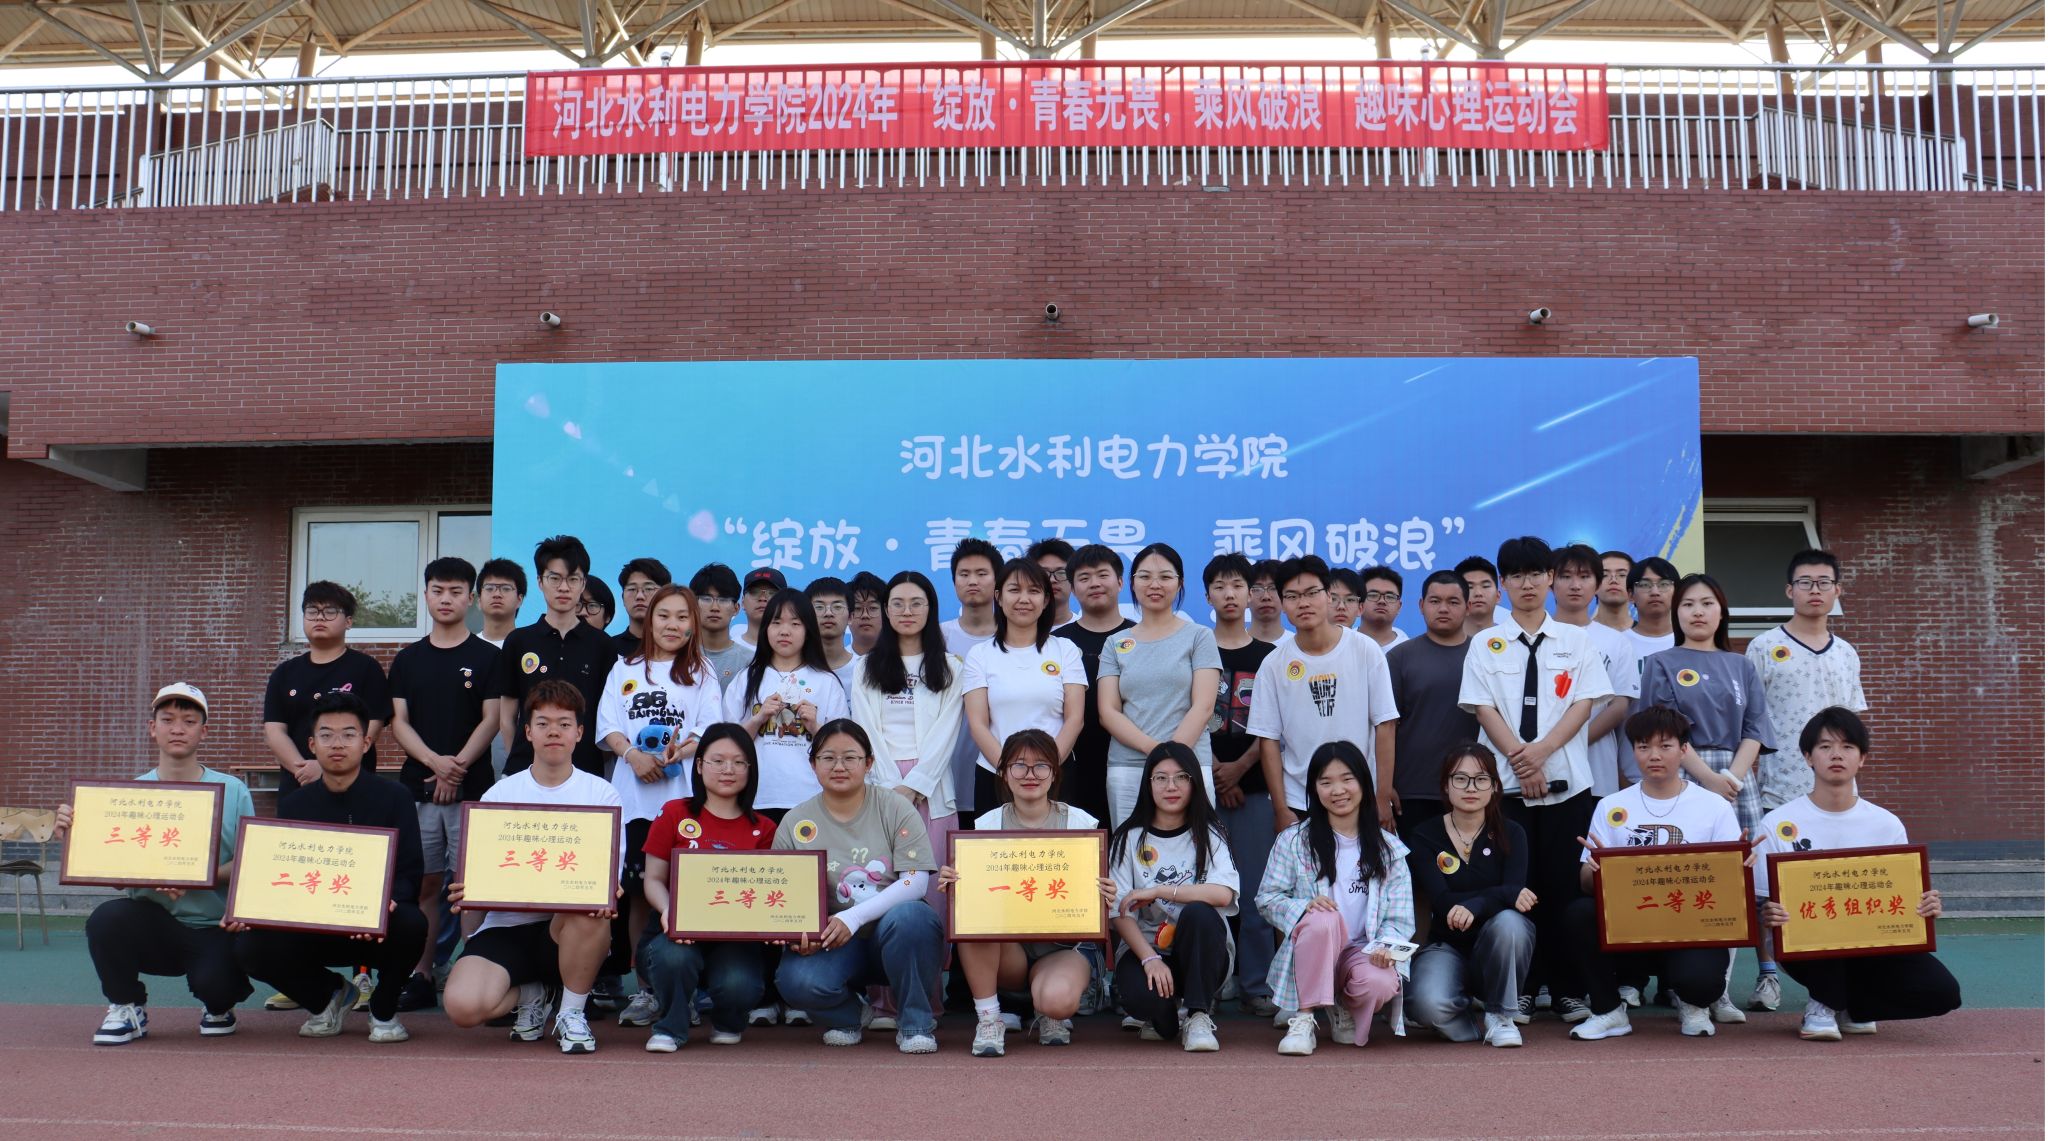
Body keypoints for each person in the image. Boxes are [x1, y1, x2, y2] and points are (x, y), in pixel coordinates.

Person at [1457, 536, 1614, 1024]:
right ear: (1503, 584)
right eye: (1516, 575)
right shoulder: (1485, 643)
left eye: (1535, 574)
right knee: (1514, 888)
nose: (1527, 584)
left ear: (1550, 578)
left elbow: (1584, 704)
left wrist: (1542, 753)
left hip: (1568, 785)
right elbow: (1483, 708)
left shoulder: (1577, 641)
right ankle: (1521, 989)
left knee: (1565, 888)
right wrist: (1521, 762)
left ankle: (1568, 990)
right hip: (1504, 789)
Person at [57, 683, 254, 1045]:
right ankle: (126, 1005)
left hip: (213, 926)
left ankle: (219, 1006)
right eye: (168, 720)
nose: (178, 729)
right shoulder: (129, 794)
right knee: (107, 919)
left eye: (189, 721)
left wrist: (198, 876)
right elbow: (117, 878)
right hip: (154, 923)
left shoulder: (234, 790)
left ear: (203, 731)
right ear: (153, 728)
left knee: (218, 986)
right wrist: (77, 837)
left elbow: (249, 862)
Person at [233, 692, 427, 1044]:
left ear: (366, 742)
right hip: (314, 926)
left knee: (412, 922)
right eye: (326, 735)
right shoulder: (294, 805)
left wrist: (384, 904)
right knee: (249, 943)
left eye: (348, 734)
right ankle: (327, 996)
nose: (337, 744)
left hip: (375, 928)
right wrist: (251, 907)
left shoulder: (395, 797)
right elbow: (280, 872)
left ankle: (384, 1008)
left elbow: (410, 871)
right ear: (312, 744)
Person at [1755, 707, 1960, 1041]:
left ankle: (1848, 1006)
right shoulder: (1777, 823)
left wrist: (1924, 905)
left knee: (1942, 992)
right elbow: (1763, 902)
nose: (1836, 755)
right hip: (1804, 943)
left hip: (1872, 942)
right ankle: (1822, 1004)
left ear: (1862, 758)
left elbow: (1902, 893)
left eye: (1847, 747)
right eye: (1825, 747)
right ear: (1808, 757)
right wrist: (1768, 912)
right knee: (1825, 924)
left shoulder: (1886, 824)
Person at [444, 680, 625, 1054]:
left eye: (564, 723)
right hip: (506, 925)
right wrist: (468, 892)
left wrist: (609, 889)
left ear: (579, 733)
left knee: (592, 907)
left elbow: (608, 878)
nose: (553, 732)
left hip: (567, 926)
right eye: (543, 723)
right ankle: (533, 993)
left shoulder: (601, 794)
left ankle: (571, 1013)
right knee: (463, 1007)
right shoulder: (500, 795)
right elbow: (478, 872)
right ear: (528, 732)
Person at [1638, 572, 1777, 1016]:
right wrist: (1706, 777)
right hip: (1681, 771)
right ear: (1676, 613)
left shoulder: (1742, 665)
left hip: (1737, 778)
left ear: (1722, 612)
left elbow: (1756, 728)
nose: (1697, 612)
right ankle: (1685, 989)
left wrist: (1731, 777)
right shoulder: (1660, 662)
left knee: (1735, 882)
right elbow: (1663, 730)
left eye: (1707, 603)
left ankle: (1721, 991)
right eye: (1688, 604)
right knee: (1687, 879)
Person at [1568, 706, 1751, 1041]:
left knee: (1701, 981)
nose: (1654, 755)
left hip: (1690, 927)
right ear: (1633, 751)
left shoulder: (1714, 806)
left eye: (1665, 746)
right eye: (1643, 746)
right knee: (1580, 914)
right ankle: (1608, 1011)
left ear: (1684, 750)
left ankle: (1694, 1005)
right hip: (1631, 927)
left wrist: (1742, 869)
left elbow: (1728, 885)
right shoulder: (1611, 806)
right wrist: (1594, 871)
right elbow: (1585, 883)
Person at [774, 720, 946, 1053]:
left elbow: (915, 880)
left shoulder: (895, 807)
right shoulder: (795, 822)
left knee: (914, 918)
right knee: (797, 981)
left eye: (850, 758)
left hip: (893, 934)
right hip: (834, 942)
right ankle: (848, 1016)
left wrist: (853, 917)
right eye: (828, 758)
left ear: (868, 763)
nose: (839, 766)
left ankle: (915, 1025)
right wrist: (799, 935)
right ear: (813, 764)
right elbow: (785, 897)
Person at [940, 728, 1113, 1056]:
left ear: (1055, 773)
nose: (1030, 774)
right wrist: (957, 884)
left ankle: (1048, 1012)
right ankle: (989, 1019)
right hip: (1010, 951)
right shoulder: (986, 826)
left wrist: (1104, 893)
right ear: (1003, 773)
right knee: (973, 917)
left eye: (1041, 766)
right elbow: (975, 894)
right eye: (1019, 765)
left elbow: (1098, 896)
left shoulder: (1081, 824)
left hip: (1064, 947)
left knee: (1056, 1001)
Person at [595, 583, 722, 1028]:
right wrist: (633, 756)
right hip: (634, 803)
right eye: (663, 615)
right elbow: (608, 726)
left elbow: (710, 729)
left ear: (693, 625)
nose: (672, 625)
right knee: (638, 895)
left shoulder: (703, 672)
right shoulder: (624, 668)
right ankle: (647, 990)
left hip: (683, 800)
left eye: (682, 617)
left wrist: (677, 753)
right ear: (649, 621)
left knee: (685, 889)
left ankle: (686, 989)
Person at [387, 557, 500, 1012]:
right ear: (426, 596)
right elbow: (398, 721)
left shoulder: (488, 657)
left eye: (456, 592)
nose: (446, 599)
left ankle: (474, 969)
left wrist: (457, 767)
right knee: (427, 884)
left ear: (470, 598)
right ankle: (422, 972)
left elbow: (492, 719)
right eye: (438, 591)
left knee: (472, 885)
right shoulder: (408, 659)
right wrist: (436, 763)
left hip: (474, 789)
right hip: (419, 788)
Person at [1260, 742, 1412, 1056]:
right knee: (1322, 918)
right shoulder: (1293, 840)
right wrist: (1303, 906)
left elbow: (1400, 918)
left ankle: (1342, 1004)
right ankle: (1304, 1017)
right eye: (1326, 782)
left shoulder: (1389, 848)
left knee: (1382, 983)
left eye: (1347, 779)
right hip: (1315, 948)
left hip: (1361, 951)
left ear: (1363, 784)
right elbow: (1267, 899)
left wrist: (1385, 947)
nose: (1338, 790)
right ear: (1314, 789)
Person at [638, 723, 778, 1051]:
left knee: (739, 984)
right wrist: (669, 911)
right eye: (718, 761)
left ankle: (729, 1020)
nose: (728, 770)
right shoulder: (674, 813)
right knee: (673, 957)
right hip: (674, 932)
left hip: (735, 938)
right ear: (699, 766)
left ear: (750, 769)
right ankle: (670, 1027)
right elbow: (653, 879)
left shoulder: (765, 829)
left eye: (738, 762)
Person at [1248, 555, 1398, 835]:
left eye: (1311, 593)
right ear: (1282, 603)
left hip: (1360, 793)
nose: (1303, 603)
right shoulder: (1273, 664)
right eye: (1292, 596)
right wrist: (1281, 808)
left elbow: (1386, 724)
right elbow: (1268, 740)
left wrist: (1382, 795)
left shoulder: (1365, 649)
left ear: (1328, 595)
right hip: (1300, 799)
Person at [1108, 742, 1240, 1052]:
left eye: (1181, 777)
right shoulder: (1128, 837)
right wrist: (1150, 959)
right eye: (1161, 778)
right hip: (1147, 949)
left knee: (1198, 912)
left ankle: (1197, 1013)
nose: (1171, 786)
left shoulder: (1210, 833)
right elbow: (1119, 911)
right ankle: (1164, 1017)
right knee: (1143, 1000)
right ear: (1148, 784)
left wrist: (1159, 890)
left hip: (1201, 951)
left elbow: (1223, 894)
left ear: (1194, 783)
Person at [1404, 744, 1536, 1048]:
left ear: (1495, 786)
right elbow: (1442, 901)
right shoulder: (1425, 835)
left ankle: (1501, 1015)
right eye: (1460, 779)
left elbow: (1516, 901)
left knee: (1511, 923)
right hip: (1447, 945)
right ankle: (1467, 1020)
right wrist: (1503, 894)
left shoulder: (1512, 832)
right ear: (1445, 785)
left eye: (1481, 779)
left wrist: (1476, 904)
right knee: (1425, 1005)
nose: (1471, 788)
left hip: (1497, 944)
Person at [851, 570, 966, 904]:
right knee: (880, 879)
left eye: (916, 603)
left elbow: (947, 733)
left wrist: (914, 786)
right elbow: (865, 730)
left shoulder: (951, 667)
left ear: (930, 609)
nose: (907, 611)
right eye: (898, 604)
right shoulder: (866, 666)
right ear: (886, 610)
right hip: (880, 780)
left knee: (935, 884)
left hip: (932, 786)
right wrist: (891, 787)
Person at [1203, 551, 1280, 1018]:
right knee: (1205, 890)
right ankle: (1209, 982)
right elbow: (1188, 714)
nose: (1229, 595)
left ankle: (1256, 983)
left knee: (1254, 894)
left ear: (1251, 595)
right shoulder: (1195, 648)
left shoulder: (1269, 657)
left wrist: (1238, 769)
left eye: (1238, 586)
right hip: (1202, 786)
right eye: (1220, 586)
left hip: (1254, 788)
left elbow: (1273, 726)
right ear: (1207, 595)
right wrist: (1217, 771)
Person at [1099, 543, 1223, 825]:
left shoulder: (1199, 636)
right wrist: (1156, 752)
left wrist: (1171, 759)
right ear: (1131, 583)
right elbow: (1108, 712)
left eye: (1165, 577)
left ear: (1180, 584)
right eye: (1144, 576)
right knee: (1130, 848)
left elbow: (1203, 706)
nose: (1155, 584)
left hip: (1189, 765)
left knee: (1195, 847)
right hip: (1128, 767)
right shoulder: (1115, 643)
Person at [1745, 550, 1869, 815]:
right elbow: (1749, 719)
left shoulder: (1846, 653)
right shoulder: (1763, 647)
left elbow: (1852, 723)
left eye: (1824, 582)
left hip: (1839, 793)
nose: (1815, 590)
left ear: (1837, 590)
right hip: (1779, 793)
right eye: (1805, 582)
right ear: (1790, 590)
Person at [963, 559, 1086, 822]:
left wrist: (1046, 769)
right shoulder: (980, 655)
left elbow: (1075, 718)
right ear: (998, 597)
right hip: (995, 774)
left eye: (1033, 591)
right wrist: (1011, 772)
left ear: (1045, 600)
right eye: (1014, 590)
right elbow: (978, 724)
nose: (1024, 599)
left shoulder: (1065, 650)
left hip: (1057, 774)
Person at [489, 535, 619, 778]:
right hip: (525, 771)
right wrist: (518, 765)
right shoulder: (519, 641)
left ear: (583, 583)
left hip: (585, 773)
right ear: (540, 581)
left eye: (572, 579)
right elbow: (507, 716)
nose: (563, 587)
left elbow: (608, 717)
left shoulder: (603, 645)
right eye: (555, 578)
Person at [722, 588, 850, 815]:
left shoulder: (826, 682)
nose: (784, 631)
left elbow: (844, 748)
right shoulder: (746, 678)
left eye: (795, 624)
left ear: (808, 630)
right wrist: (758, 719)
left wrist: (815, 727)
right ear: (765, 629)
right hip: (757, 798)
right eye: (776, 622)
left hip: (812, 799)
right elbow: (726, 744)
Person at [263, 580, 391, 790]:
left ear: (348, 621)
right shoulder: (284, 673)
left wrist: (326, 769)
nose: (320, 617)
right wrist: (303, 770)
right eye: (312, 611)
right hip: (298, 786)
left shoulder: (366, 668)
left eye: (330, 611)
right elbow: (274, 731)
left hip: (353, 787)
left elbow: (372, 727)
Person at [1384, 571, 1480, 838]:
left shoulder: (1483, 655)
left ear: (1468, 606)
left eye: (1453, 602)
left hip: (1473, 787)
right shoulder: (1400, 657)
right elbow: (1386, 727)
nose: (1443, 608)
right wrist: (1384, 786)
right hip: (1412, 790)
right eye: (1435, 601)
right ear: (1421, 605)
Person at [1052, 543, 1135, 828]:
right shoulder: (1057, 643)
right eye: (1084, 578)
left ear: (1120, 582)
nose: (1095, 583)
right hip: (1072, 765)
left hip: (1133, 761)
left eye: (1103, 575)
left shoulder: (1142, 636)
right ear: (1073, 589)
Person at [1551, 544, 1640, 798]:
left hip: (1597, 770)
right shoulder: (1535, 637)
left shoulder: (1617, 642)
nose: (1575, 585)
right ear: (1550, 582)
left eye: (1584, 577)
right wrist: (1547, 748)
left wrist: (1566, 743)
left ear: (1597, 584)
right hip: (1542, 770)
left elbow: (1619, 706)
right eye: (1565, 576)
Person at [690, 564, 752, 692]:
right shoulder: (679, 656)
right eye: (706, 599)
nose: (714, 607)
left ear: (736, 608)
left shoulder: (749, 662)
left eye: (723, 600)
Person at [941, 538, 1002, 654]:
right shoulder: (940, 635)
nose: (972, 581)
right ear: (954, 582)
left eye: (981, 574)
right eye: (964, 574)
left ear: (997, 580)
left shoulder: (1013, 634)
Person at [805, 576, 861, 689]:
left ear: (851, 617)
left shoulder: (864, 670)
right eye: (819, 607)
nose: (828, 613)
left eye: (837, 607)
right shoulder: (794, 671)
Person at [1624, 556, 1681, 666]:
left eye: (1664, 584)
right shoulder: (1618, 643)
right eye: (1645, 585)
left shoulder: (1689, 642)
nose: (1655, 592)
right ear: (1630, 595)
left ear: (1677, 593)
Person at [614, 557, 673, 658]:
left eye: (649, 588)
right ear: (622, 598)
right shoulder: (608, 648)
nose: (639, 596)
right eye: (632, 589)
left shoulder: (678, 648)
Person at [1455, 555, 1511, 638]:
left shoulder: (1512, 642)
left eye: (1485, 586)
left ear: (1498, 596)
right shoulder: (1442, 642)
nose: (1478, 593)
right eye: (1469, 587)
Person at [478, 558, 527, 647]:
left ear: (520, 599)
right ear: (479, 600)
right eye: (489, 588)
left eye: (506, 589)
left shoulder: (529, 647)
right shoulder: (467, 648)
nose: (497, 594)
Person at [1029, 537, 1077, 628]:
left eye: (1061, 573)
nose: (1052, 580)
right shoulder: (1017, 631)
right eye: (1044, 573)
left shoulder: (1085, 631)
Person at [1358, 567, 1409, 650]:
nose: (1382, 601)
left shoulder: (1410, 650)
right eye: (1373, 595)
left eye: (1390, 597)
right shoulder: (1343, 643)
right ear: (1359, 603)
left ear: (1399, 607)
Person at [736, 567, 786, 650]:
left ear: (785, 603)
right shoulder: (728, 651)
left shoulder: (795, 652)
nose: (762, 598)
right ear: (743, 602)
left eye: (772, 593)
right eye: (754, 592)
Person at [846, 571, 889, 657]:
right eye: (857, 608)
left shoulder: (903, 660)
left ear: (886, 612)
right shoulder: (834, 663)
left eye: (873, 608)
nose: (865, 615)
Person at [1246, 559, 1289, 644]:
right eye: (1257, 589)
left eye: (1273, 588)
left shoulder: (1299, 645)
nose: (1266, 597)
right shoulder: (1234, 645)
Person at [1594, 551, 1636, 635]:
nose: (1613, 580)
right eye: (1604, 575)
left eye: (1622, 575)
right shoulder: (1580, 636)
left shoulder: (1648, 636)